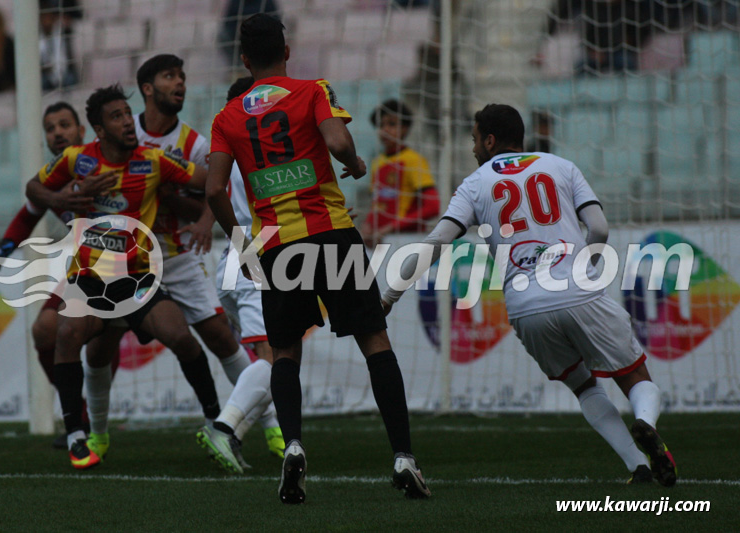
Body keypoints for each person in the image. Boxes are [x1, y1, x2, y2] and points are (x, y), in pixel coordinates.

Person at [382, 103, 677, 487]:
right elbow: (600, 228)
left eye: (475, 140)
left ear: (490, 140)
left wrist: (388, 296)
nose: (473, 148)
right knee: (633, 374)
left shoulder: (474, 183)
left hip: (525, 306)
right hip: (579, 289)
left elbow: (436, 242)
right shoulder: (560, 166)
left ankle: (638, 467)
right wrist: (585, 267)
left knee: (584, 385)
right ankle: (645, 422)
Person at [200, 14, 430, 503]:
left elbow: (214, 189)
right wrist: (355, 164)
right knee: (374, 340)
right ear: (287, 51)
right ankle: (404, 457)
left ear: (244, 60)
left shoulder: (226, 118)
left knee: (284, 352)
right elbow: (339, 141)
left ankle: (294, 447)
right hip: (332, 235)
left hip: (276, 247)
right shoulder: (312, 90)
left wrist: (242, 246)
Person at [80, 55, 282, 467]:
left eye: (183, 76)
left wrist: (204, 221)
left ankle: (270, 426)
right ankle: (96, 434)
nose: (180, 83)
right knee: (99, 350)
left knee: (221, 337)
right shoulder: (123, 130)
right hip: (122, 264)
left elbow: (214, 191)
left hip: (176, 254)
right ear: (148, 88)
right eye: (170, 76)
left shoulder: (195, 144)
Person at [25, 84, 219, 470]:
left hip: (138, 279)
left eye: (128, 114)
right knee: (66, 334)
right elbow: (33, 187)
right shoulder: (77, 160)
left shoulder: (154, 161)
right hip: (90, 280)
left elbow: (211, 180)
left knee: (182, 338)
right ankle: (77, 435)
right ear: (99, 130)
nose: (129, 122)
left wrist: (207, 215)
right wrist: (61, 199)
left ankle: (217, 423)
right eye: (117, 117)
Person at [0, 102, 118, 450]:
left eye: (64, 125)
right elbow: (30, 211)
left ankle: (225, 416)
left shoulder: (104, 165)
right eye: (50, 128)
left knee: (106, 342)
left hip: (134, 267)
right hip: (88, 270)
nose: (57, 133)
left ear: (82, 132)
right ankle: (81, 416)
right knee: (44, 330)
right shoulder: (54, 179)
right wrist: (4, 249)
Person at [195, 75, 282, 472]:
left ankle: (242, 432)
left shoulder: (224, 143)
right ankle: (224, 428)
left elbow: (214, 191)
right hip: (257, 256)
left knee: (275, 358)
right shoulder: (264, 143)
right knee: (275, 358)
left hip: (234, 257)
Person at [361, 99, 439, 248]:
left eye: (391, 124)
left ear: (405, 128)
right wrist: (368, 225)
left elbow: (433, 207)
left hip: (407, 240)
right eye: (381, 125)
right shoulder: (377, 162)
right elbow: (377, 204)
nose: (385, 130)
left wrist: (392, 227)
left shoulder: (414, 160)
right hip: (380, 242)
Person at [39, 0, 79, 90]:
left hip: (63, 70)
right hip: (45, 73)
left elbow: (68, 57)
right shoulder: (36, 36)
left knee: (71, 79)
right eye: (44, 17)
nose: (47, 20)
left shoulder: (64, 32)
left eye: (49, 16)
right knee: (41, 81)